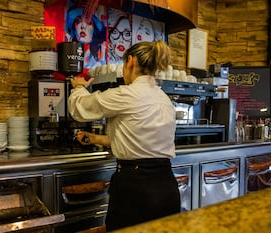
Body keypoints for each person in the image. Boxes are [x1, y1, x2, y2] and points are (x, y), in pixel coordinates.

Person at [68, 40, 181, 231]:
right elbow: (138, 141)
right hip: (166, 187)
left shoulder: (126, 94)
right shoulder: (164, 99)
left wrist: (78, 87)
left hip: (136, 190)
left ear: (130, 61)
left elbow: (80, 108)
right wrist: (95, 139)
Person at [65, 5, 107, 69]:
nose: (83, 26)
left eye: (88, 23)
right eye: (78, 21)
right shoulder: (69, 49)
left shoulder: (101, 50)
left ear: (94, 28)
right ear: (73, 27)